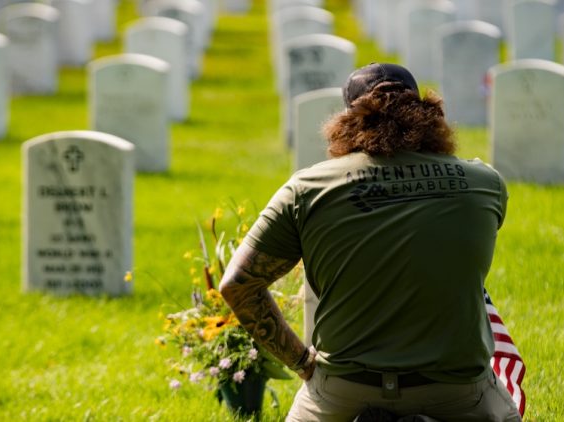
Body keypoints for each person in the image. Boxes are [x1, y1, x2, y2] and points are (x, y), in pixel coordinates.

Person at [219, 63, 521, 421]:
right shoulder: (484, 182)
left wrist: (302, 362)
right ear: (427, 113)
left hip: (344, 392)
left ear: (348, 118)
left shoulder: (307, 189)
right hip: (456, 392)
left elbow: (237, 284)